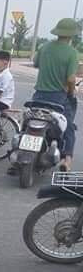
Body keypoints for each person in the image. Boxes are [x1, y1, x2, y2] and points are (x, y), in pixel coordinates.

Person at [32, 17, 79, 170]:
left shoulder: (44, 47)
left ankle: (20, 151)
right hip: (58, 97)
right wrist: (71, 93)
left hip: (38, 95)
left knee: (30, 121)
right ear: (72, 35)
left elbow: (36, 63)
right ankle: (67, 160)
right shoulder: (72, 53)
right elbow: (71, 79)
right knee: (69, 127)